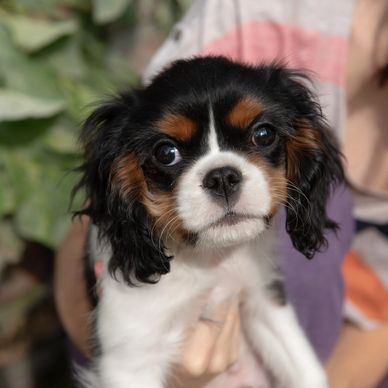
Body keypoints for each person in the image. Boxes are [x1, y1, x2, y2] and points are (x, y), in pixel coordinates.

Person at [55, 0, 388, 387]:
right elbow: (128, 368)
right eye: (168, 153)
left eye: (262, 136)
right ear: (125, 176)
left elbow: (271, 312)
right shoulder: (252, 13)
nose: (223, 177)